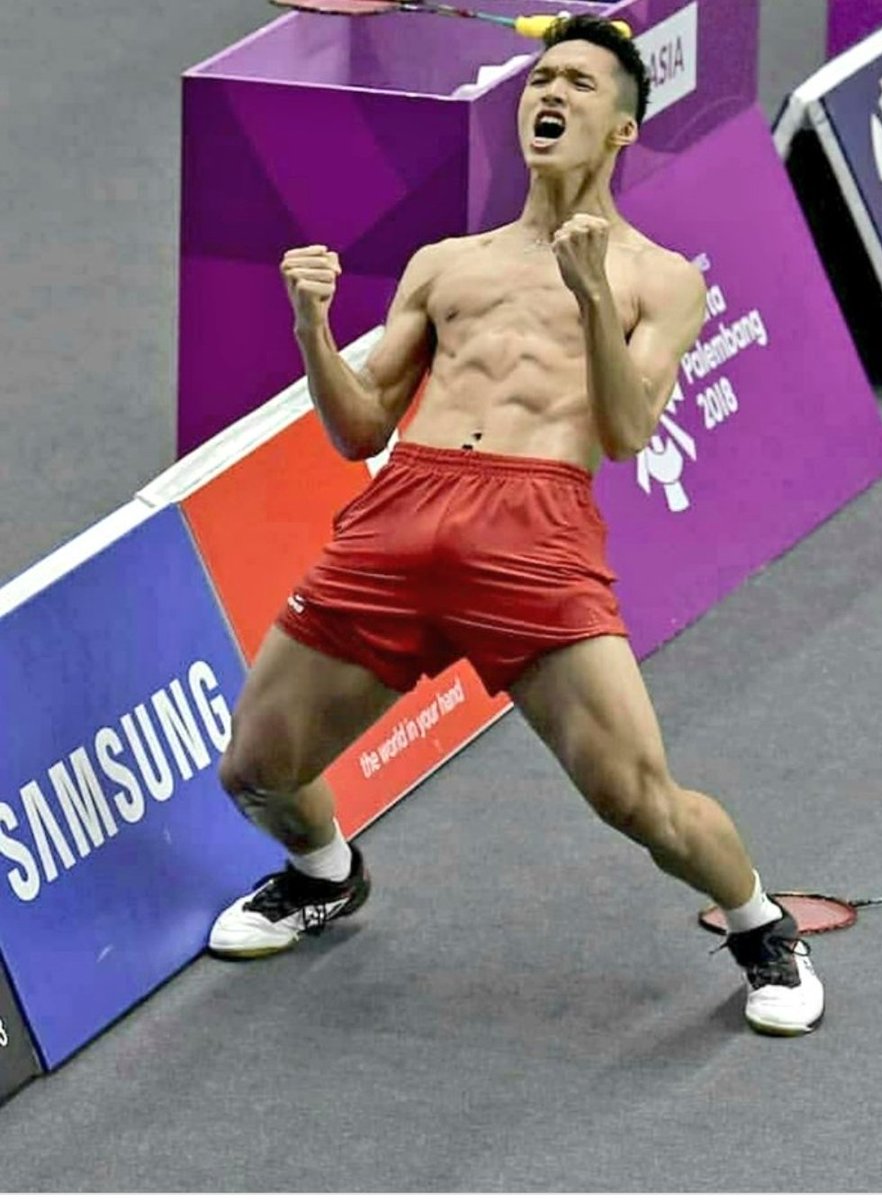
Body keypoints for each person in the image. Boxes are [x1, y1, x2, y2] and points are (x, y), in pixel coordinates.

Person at [208, 15, 824, 1037]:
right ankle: (323, 874)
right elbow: (359, 430)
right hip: (401, 513)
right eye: (542, 79)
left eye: (579, 82)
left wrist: (590, 301)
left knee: (635, 797)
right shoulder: (445, 263)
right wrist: (311, 330)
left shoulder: (660, 278)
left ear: (622, 128)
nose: (551, 93)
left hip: (531, 532)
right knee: (255, 770)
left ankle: (762, 926)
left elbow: (624, 433)